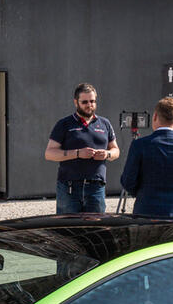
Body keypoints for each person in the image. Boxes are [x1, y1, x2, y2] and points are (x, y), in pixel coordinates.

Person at [119, 97, 173, 218]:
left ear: (154, 117)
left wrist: (143, 193)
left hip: (146, 212)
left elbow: (128, 181)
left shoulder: (140, 145)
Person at [44, 83, 120, 213]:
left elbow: (116, 150)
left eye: (92, 101)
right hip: (69, 188)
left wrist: (107, 154)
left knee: (96, 229)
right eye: (84, 102)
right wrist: (78, 153)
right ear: (76, 102)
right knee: (68, 229)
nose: (89, 105)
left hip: (96, 187)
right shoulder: (64, 124)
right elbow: (49, 153)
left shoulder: (105, 123)